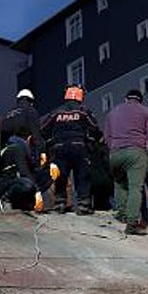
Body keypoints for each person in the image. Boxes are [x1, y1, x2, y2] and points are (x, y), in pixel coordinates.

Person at [104, 89, 148, 234]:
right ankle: (131, 224)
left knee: (119, 183)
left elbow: (107, 136)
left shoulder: (113, 112)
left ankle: (121, 213)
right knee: (136, 187)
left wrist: (113, 148)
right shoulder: (146, 112)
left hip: (115, 153)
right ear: (140, 100)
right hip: (135, 152)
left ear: (125, 99)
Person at [41, 85, 103, 214]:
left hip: (59, 148)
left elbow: (43, 129)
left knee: (61, 176)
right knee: (82, 175)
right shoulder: (83, 111)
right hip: (79, 146)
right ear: (80, 96)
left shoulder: (56, 113)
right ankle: (83, 204)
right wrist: (93, 142)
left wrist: (49, 143)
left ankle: (60, 203)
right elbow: (94, 127)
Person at [0, 134, 43, 212]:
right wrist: (37, 191)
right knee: (28, 185)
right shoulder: (16, 149)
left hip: (15, 180)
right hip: (5, 182)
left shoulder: (21, 148)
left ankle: (27, 201)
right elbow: (23, 171)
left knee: (47, 174)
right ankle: (5, 198)